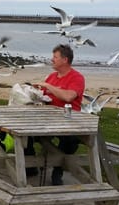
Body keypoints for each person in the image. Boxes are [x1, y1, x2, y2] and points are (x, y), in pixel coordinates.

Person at [29, 44, 85, 185]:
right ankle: (30, 166)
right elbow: (43, 96)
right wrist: (34, 93)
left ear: (65, 60)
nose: (52, 59)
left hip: (68, 121)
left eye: (55, 57)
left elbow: (68, 97)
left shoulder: (77, 78)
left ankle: (57, 171)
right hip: (47, 119)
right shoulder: (52, 77)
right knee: (26, 133)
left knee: (70, 140)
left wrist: (48, 86)